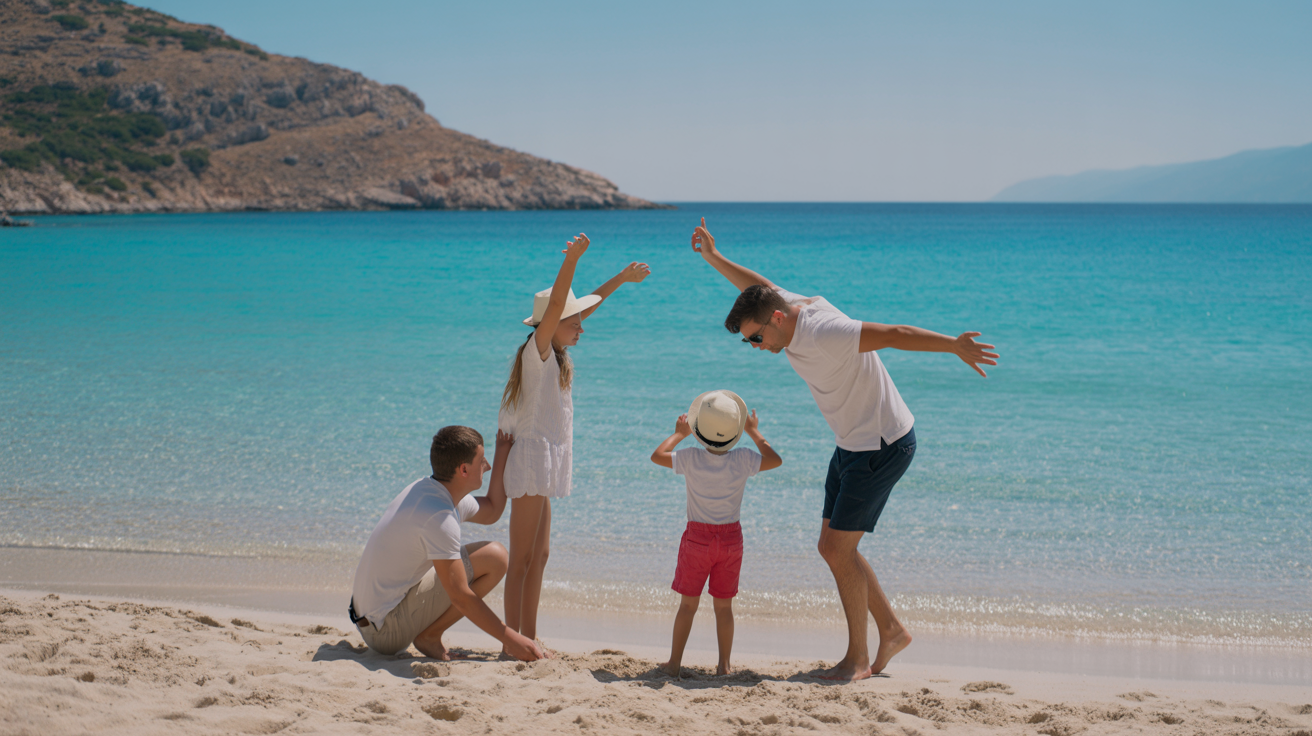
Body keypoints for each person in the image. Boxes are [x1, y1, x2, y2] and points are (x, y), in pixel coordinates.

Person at [690, 217, 999, 681]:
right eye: (748, 341)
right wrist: (714, 258)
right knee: (834, 547)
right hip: (852, 442)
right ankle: (891, 630)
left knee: (837, 548)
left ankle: (858, 659)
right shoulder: (780, 307)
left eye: (756, 337)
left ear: (777, 319)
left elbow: (893, 334)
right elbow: (757, 286)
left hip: (882, 442)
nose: (755, 346)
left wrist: (953, 346)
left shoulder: (824, 331)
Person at [498, 233, 650, 651]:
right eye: (574, 321)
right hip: (531, 461)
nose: (582, 326)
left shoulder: (557, 355)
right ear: (550, 323)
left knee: (540, 557)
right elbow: (560, 304)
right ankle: (514, 640)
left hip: (546, 462)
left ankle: (529, 635)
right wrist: (574, 262)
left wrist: (619, 278)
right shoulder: (538, 350)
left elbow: (580, 306)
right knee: (521, 560)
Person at [348, 426, 545, 662]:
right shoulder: (439, 517)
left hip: (371, 617)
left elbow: (492, 510)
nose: (488, 466)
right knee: (495, 558)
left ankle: (429, 634)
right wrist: (513, 639)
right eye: (482, 461)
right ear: (463, 469)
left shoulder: (431, 490)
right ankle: (430, 636)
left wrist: (503, 450)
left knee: (493, 556)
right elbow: (461, 597)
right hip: (385, 632)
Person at [649, 390, 782, 677]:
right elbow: (775, 460)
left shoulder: (690, 458)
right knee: (724, 608)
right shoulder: (745, 458)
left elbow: (656, 456)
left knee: (687, 606)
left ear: (699, 430)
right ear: (735, 432)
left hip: (697, 539)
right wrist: (755, 432)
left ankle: (673, 664)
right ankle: (724, 666)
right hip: (731, 540)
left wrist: (678, 434)